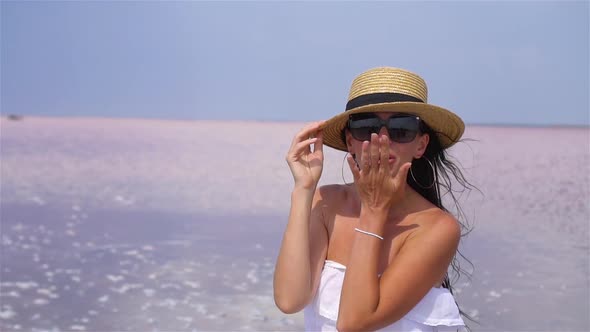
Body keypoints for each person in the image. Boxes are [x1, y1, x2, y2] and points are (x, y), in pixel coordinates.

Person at [273, 67, 473, 332]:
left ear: (421, 145)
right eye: (366, 128)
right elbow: (290, 299)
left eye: (401, 129)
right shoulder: (327, 203)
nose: (382, 139)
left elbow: (354, 323)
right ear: (350, 142)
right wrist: (303, 189)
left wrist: (374, 210)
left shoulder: (437, 228)